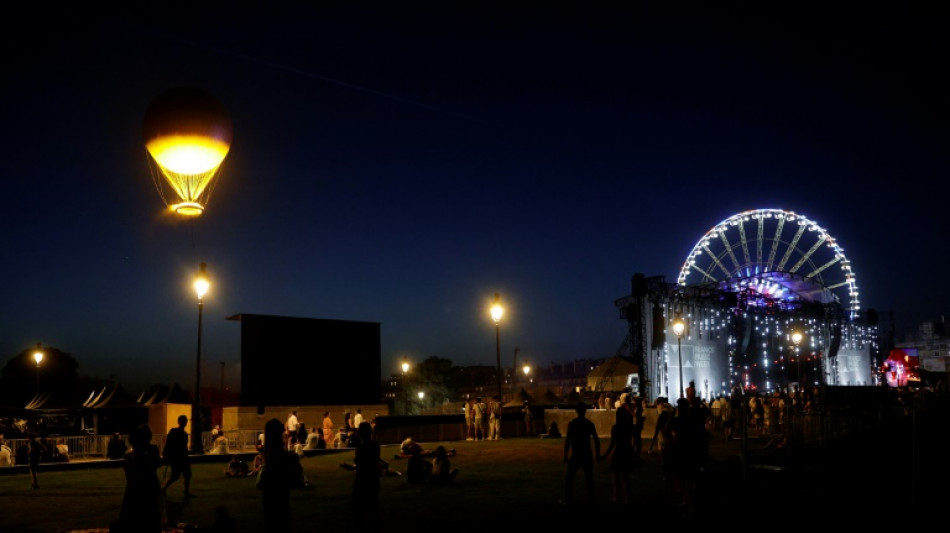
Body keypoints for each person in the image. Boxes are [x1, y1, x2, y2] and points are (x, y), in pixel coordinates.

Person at [113, 424, 164, 533]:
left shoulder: (130, 455)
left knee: (134, 515)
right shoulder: (152, 450)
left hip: (134, 487)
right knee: (151, 514)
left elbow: (128, 473)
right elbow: (158, 463)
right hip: (149, 486)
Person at [342, 421, 381, 533]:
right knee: (373, 508)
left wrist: (350, 468)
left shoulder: (362, 447)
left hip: (362, 481)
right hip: (373, 480)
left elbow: (360, 465)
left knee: (359, 509)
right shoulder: (375, 446)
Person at [259, 417, 297, 532]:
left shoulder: (270, 447)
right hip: (278, 486)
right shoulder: (276, 448)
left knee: (272, 517)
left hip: (271, 486)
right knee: (279, 515)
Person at [560, 401, 600, 505]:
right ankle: (591, 499)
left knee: (570, 477)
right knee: (589, 477)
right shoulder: (589, 424)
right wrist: (598, 454)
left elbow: (568, 440)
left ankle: (567, 499)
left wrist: (565, 455)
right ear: (585, 411)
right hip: (586, 453)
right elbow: (596, 439)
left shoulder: (573, 424)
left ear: (577, 411)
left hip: (577, 454)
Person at [162, 414, 193, 499]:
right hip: (176, 457)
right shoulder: (174, 431)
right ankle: (164, 488)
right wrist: (166, 455)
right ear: (179, 422)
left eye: (185, 421)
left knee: (186, 475)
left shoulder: (184, 434)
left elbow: (184, 446)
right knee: (175, 475)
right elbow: (168, 444)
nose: (185, 422)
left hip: (183, 457)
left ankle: (186, 492)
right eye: (183, 420)